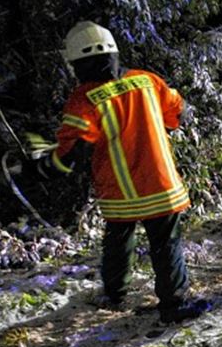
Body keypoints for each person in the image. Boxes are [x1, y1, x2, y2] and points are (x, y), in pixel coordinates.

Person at [26, 21, 205, 324]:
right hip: (161, 183)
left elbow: (70, 155)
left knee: (118, 240)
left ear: (78, 62)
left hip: (119, 191)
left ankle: (114, 294)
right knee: (166, 243)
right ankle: (174, 305)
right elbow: (179, 110)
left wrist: (39, 168)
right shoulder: (147, 81)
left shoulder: (84, 100)